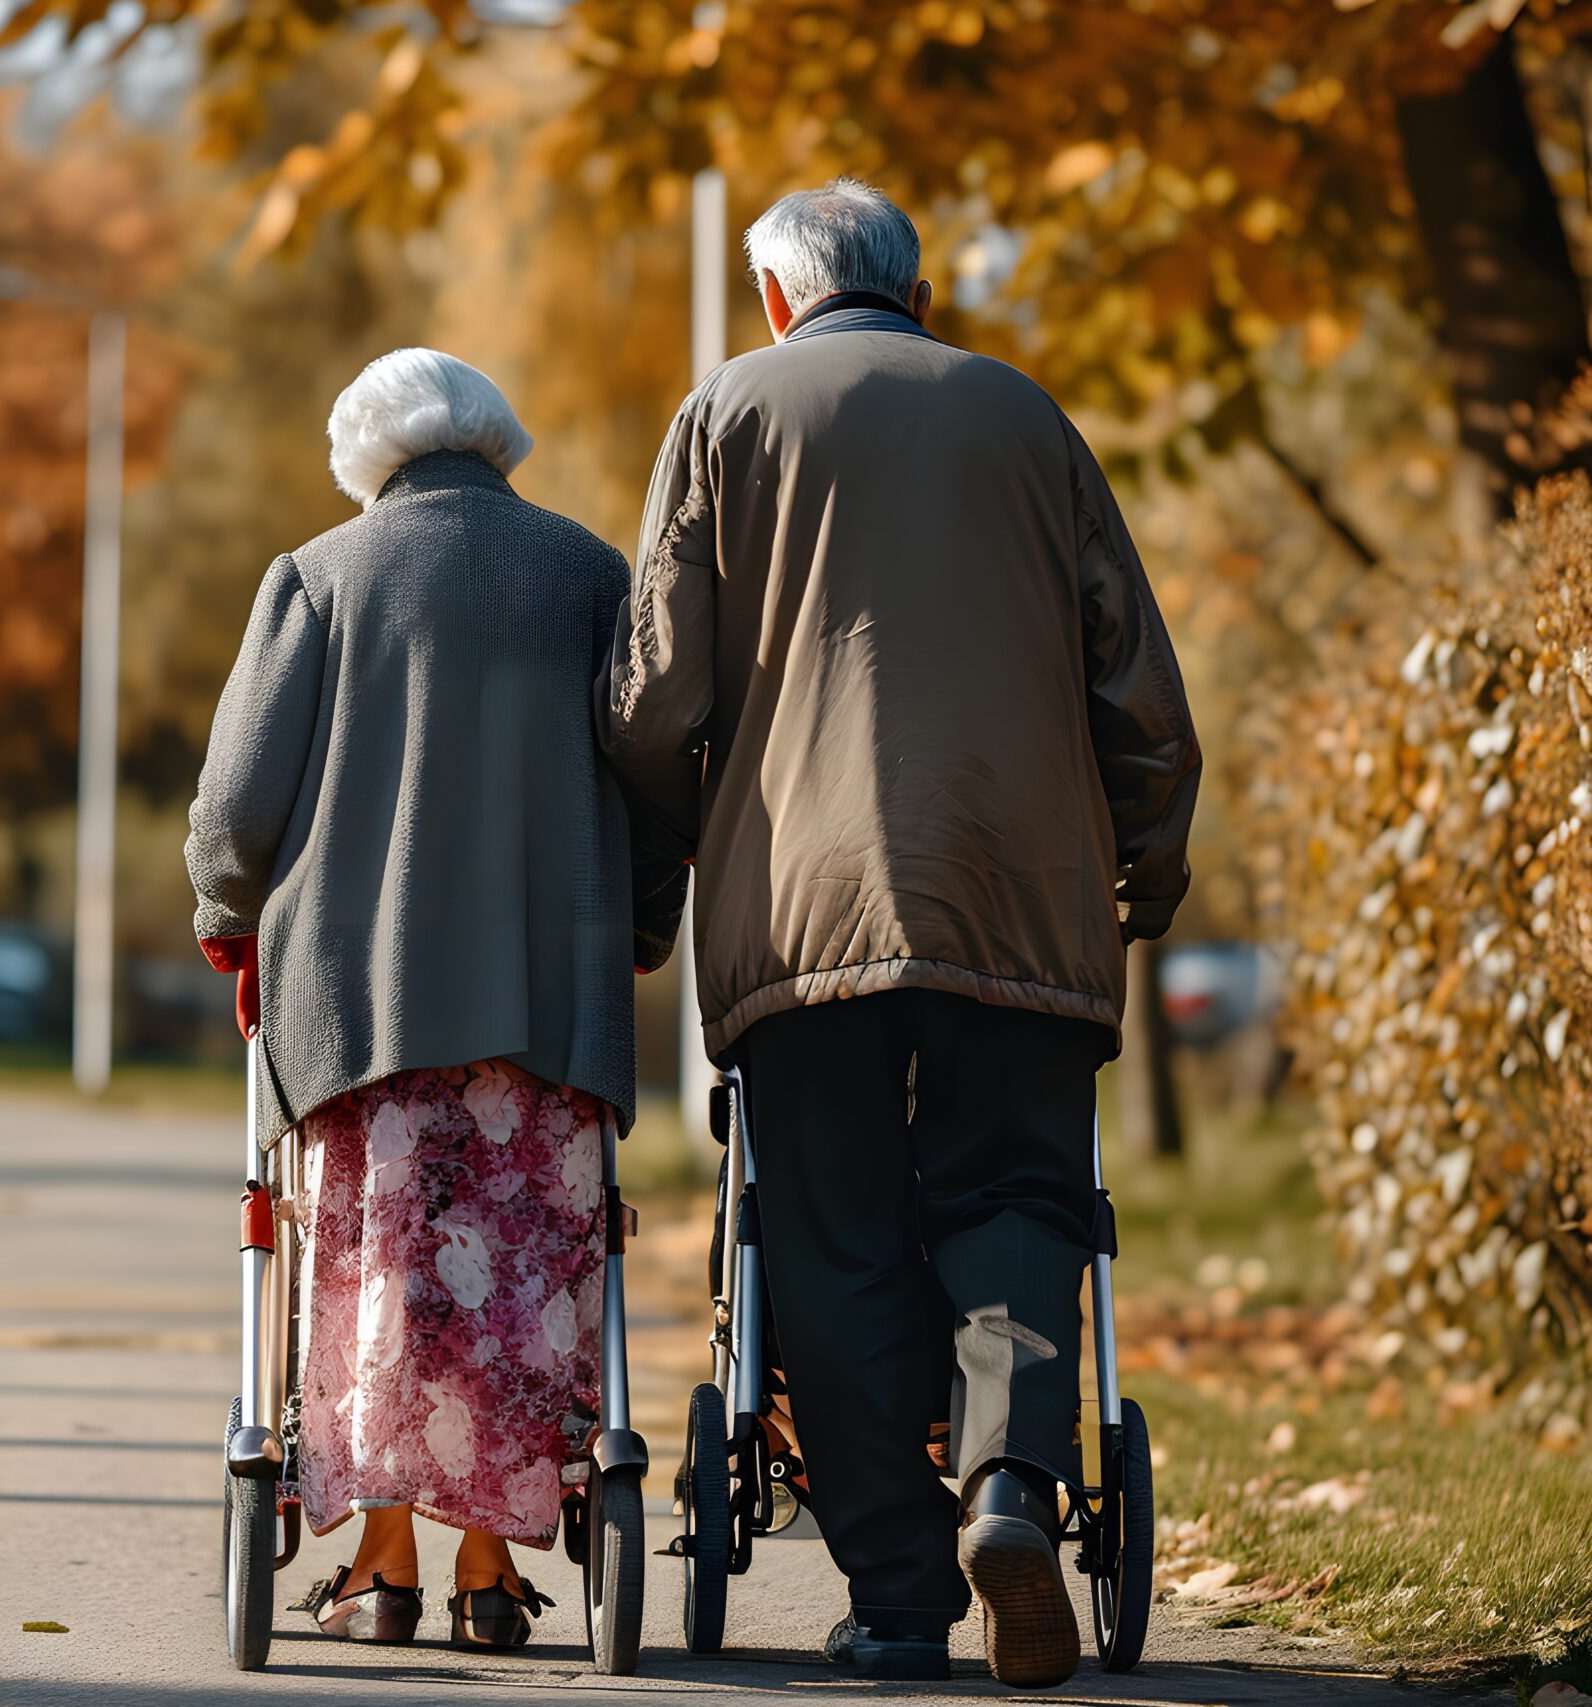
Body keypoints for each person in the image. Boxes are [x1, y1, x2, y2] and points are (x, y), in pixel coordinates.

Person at [597, 179, 1201, 1688]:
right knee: (1018, 1198)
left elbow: (653, 700)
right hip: (1019, 890)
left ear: (780, 298)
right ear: (915, 292)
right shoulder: (1029, 420)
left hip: (807, 909)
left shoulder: (727, 417)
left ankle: (900, 1596)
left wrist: (656, 891)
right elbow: (1138, 692)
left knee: (833, 1235)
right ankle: (1011, 1483)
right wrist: (1145, 876)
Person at [186, 349, 675, 1651]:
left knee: (385, 1280)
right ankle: (484, 1572)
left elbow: (238, 812)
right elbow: (652, 777)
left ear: (367, 457)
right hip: (550, 1003)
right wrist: (646, 921)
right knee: (522, 1283)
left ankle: (381, 1567)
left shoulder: (317, 578)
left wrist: (222, 910)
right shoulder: (589, 577)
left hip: (365, 1012)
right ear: (494, 440)